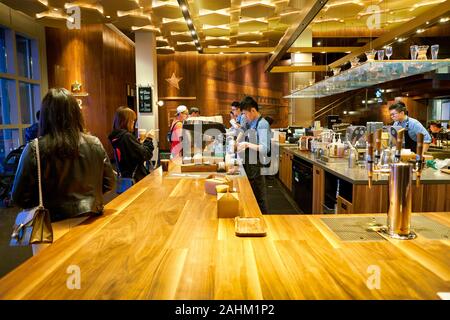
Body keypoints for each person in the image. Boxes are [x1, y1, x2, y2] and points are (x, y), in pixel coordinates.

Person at [11, 88, 115, 255]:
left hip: (49, 228)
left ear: (45, 116)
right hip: (90, 220)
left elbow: (19, 197)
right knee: (88, 273)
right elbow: (109, 183)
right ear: (76, 114)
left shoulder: (34, 148)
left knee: (50, 277)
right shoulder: (94, 143)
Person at [236, 96, 271, 214]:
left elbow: (265, 148)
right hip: (249, 164)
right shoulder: (251, 122)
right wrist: (236, 142)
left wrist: (246, 144)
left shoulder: (262, 124)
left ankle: (266, 221)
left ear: (253, 110)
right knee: (251, 196)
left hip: (257, 165)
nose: (245, 117)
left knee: (259, 197)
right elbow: (243, 130)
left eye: (245, 114)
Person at [109, 107, 154, 182]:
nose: (133, 123)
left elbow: (131, 154)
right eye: (132, 120)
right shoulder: (126, 137)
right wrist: (149, 139)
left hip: (125, 176)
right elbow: (146, 154)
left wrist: (138, 143)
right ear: (126, 121)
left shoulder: (117, 137)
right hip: (136, 178)